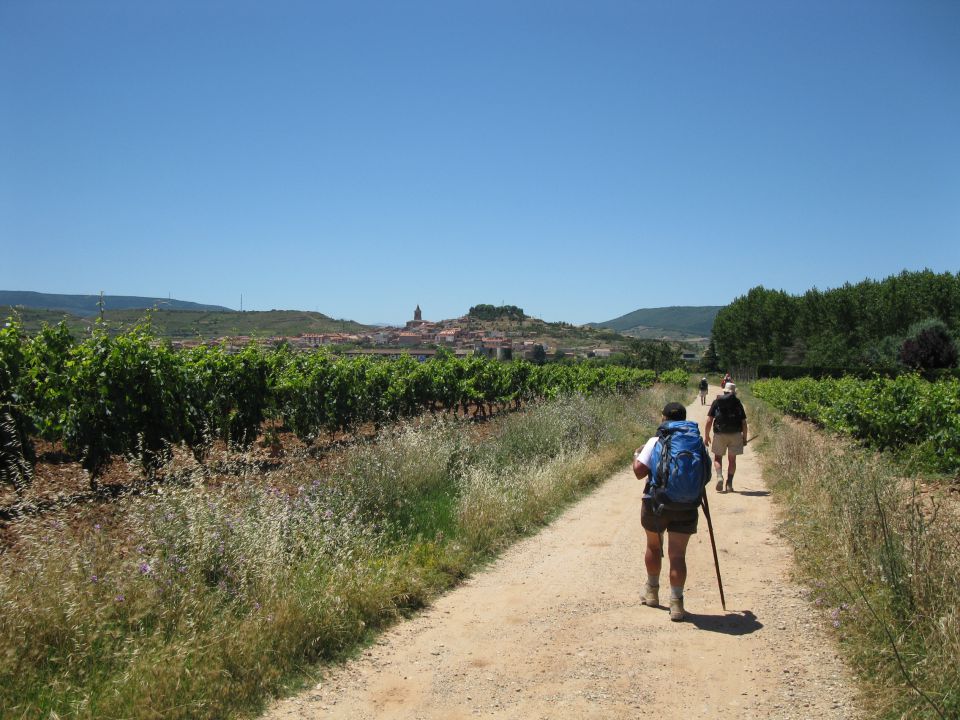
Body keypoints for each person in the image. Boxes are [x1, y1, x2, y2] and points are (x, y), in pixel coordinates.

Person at [633, 401, 710, 622]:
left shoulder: (655, 440)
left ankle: (652, 592)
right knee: (678, 555)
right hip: (687, 505)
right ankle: (677, 604)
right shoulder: (695, 442)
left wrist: (635, 456)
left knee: (653, 547)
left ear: (664, 418)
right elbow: (705, 475)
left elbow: (639, 472)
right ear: (684, 418)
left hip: (656, 503)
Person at [704, 382, 748, 493]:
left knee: (718, 458)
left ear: (724, 390)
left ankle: (719, 477)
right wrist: (744, 438)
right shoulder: (738, 403)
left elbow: (709, 420)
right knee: (732, 460)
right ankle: (729, 484)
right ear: (734, 392)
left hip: (720, 434)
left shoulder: (717, 402)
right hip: (735, 434)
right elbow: (743, 423)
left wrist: (706, 436)